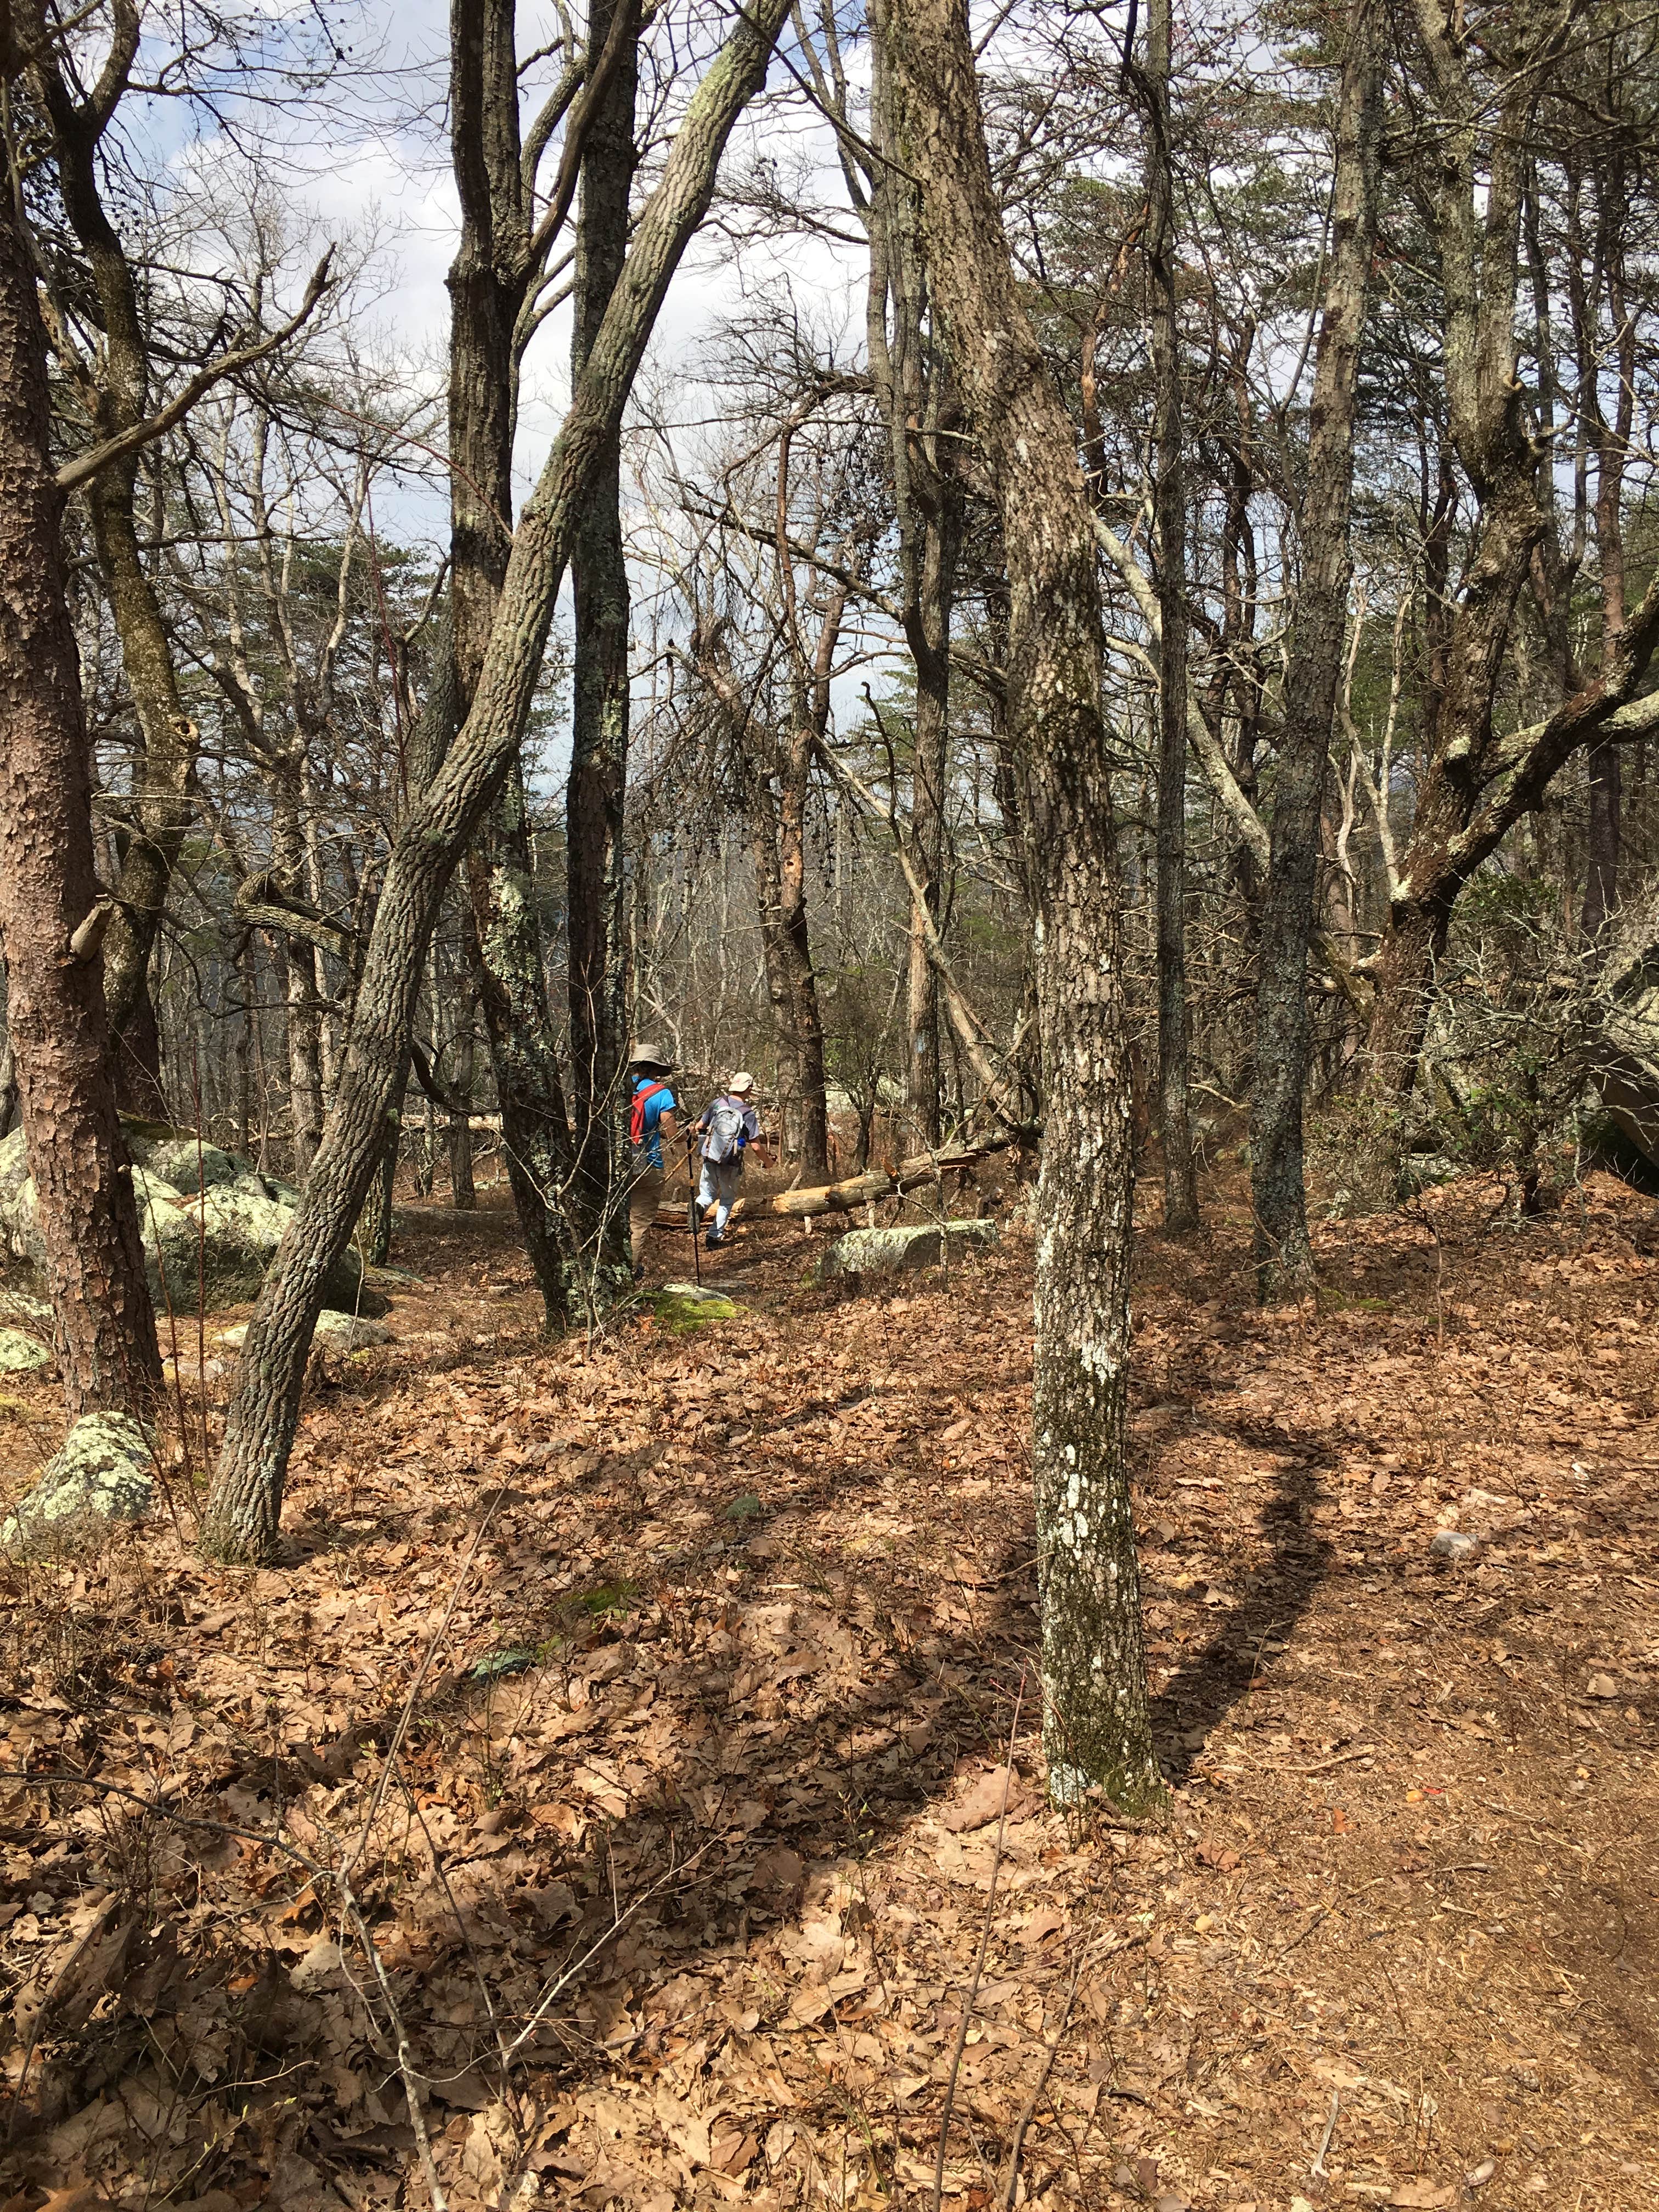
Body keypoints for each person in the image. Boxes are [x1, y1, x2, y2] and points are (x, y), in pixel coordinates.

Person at [694, 1071, 770, 1248]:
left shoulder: (717, 1103)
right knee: (727, 1200)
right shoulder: (747, 1113)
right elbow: (756, 1146)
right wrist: (768, 1162)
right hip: (731, 1163)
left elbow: (699, 1126)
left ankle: (698, 1208)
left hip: (710, 1158)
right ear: (749, 1089)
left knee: (706, 1195)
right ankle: (714, 1237)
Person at [627, 1044, 678, 1278]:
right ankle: (631, 1270)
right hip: (648, 1163)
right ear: (657, 1069)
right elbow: (671, 1133)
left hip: (616, 1164)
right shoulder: (661, 1093)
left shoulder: (619, 1089)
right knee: (638, 1222)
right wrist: (685, 1135)